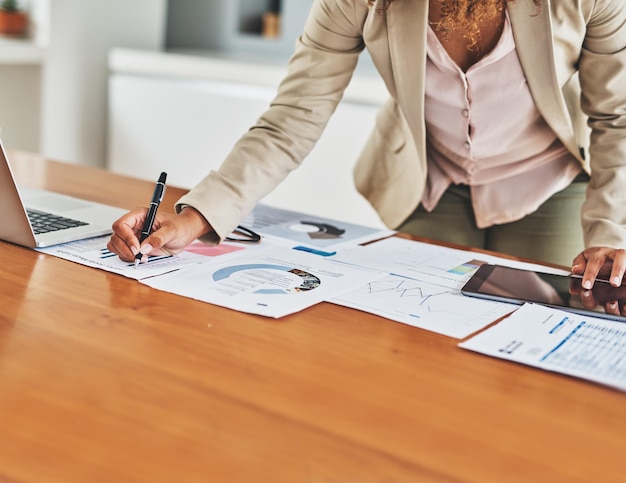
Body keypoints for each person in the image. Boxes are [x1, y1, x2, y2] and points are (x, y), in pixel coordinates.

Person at [108, 0, 626, 290]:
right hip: (429, 180)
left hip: (549, 183)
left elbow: (617, 117)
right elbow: (293, 116)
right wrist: (197, 216)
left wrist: (610, 231)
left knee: (537, 324)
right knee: (417, 326)